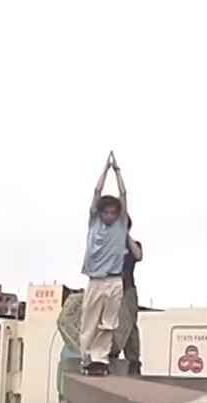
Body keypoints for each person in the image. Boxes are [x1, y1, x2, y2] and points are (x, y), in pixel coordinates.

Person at [79, 151, 128, 374]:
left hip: (114, 279)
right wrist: (105, 169)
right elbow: (97, 192)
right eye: (106, 212)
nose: (109, 216)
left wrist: (117, 171)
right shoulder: (94, 222)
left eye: (112, 213)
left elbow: (123, 193)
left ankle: (101, 359)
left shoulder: (121, 223)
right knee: (89, 321)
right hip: (95, 279)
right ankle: (86, 358)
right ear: (100, 213)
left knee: (109, 322)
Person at [110, 216, 143, 375]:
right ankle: (111, 353)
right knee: (110, 321)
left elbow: (138, 256)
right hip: (111, 287)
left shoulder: (133, 244)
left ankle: (133, 360)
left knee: (130, 324)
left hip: (127, 287)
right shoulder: (110, 244)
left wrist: (126, 236)